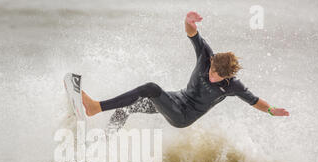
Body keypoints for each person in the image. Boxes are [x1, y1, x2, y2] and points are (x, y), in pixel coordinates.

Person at [81, 11, 289, 130]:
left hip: (183, 116)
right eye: (212, 70)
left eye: (217, 76)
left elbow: (255, 101)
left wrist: (271, 110)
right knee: (127, 105)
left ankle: (96, 107)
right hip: (176, 98)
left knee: (150, 88)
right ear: (213, 61)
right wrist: (187, 22)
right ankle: (104, 142)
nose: (211, 75)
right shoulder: (206, 56)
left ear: (227, 77)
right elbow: (193, 34)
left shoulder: (233, 86)